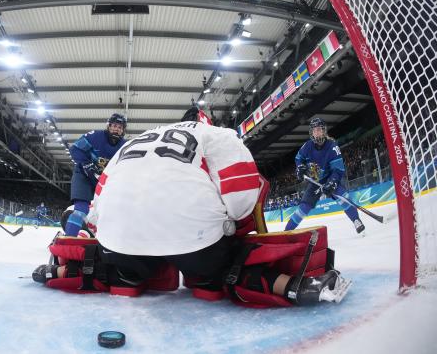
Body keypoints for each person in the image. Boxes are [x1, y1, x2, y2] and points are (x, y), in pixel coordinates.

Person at [34, 107, 350, 306]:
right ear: (204, 120)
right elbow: (241, 198)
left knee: (124, 261)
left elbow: (96, 211)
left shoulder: (134, 141)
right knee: (221, 259)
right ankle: (278, 283)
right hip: (194, 244)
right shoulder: (216, 134)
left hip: (118, 246)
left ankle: (94, 273)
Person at [286, 118, 365, 234]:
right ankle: (286, 231)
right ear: (311, 133)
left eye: (319, 130)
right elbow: (298, 158)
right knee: (303, 208)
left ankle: (356, 220)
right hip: (315, 181)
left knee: (343, 197)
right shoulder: (307, 146)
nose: (317, 132)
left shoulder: (332, 146)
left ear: (324, 131)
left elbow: (338, 170)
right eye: (314, 130)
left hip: (330, 178)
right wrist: (300, 167)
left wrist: (332, 182)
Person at [65, 113, 127, 236]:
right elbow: (75, 149)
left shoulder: (125, 146)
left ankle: (106, 240)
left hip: (104, 181)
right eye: (114, 125)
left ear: (123, 131)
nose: (116, 129)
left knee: (112, 211)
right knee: (81, 209)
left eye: (120, 127)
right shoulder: (96, 136)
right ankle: (69, 238)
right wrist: (87, 164)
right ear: (108, 126)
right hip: (83, 176)